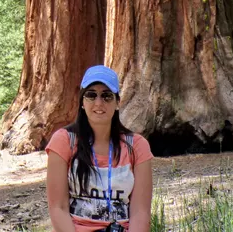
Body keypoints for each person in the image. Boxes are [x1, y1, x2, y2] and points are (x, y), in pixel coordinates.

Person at [46, 65, 153, 232]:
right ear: (82, 102)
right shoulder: (64, 141)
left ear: (118, 102)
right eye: (91, 95)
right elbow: (58, 208)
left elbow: (141, 212)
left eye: (106, 96)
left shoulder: (137, 146)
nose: (98, 102)